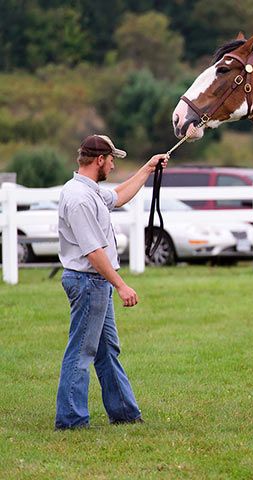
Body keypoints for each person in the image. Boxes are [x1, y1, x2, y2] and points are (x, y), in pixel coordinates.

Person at [54, 134, 168, 430]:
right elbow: (93, 251)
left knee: (106, 350)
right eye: (112, 159)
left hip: (95, 283)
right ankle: (70, 420)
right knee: (81, 351)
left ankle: (124, 413)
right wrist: (121, 285)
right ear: (99, 160)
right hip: (89, 281)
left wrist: (148, 168)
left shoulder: (89, 190)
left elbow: (118, 196)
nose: (115, 166)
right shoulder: (79, 198)